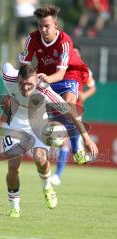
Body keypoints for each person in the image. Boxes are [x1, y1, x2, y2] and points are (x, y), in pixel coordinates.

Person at [1, 63, 98, 217]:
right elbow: (7, 64)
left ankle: (47, 186)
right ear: (17, 78)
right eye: (22, 83)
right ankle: (14, 206)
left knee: (40, 158)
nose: (25, 88)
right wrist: (6, 102)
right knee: (13, 167)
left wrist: (86, 138)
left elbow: (70, 113)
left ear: (36, 79)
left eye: (29, 84)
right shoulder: (8, 76)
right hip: (17, 126)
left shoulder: (44, 89)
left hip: (39, 125)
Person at [19, 5, 92, 164]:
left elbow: (60, 74)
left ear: (56, 25)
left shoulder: (64, 41)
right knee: (49, 114)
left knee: (69, 105)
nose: (43, 30)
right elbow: (24, 67)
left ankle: (77, 149)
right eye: (40, 26)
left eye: (47, 26)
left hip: (68, 74)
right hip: (44, 75)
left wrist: (46, 79)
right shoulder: (32, 39)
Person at [51, 46, 97, 186]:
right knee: (63, 142)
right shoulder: (60, 70)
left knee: (70, 145)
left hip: (75, 110)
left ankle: (78, 150)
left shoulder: (84, 70)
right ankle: (58, 174)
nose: (73, 56)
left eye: (75, 54)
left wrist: (84, 94)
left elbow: (93, 87)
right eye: (71, 54)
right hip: (58, 108)